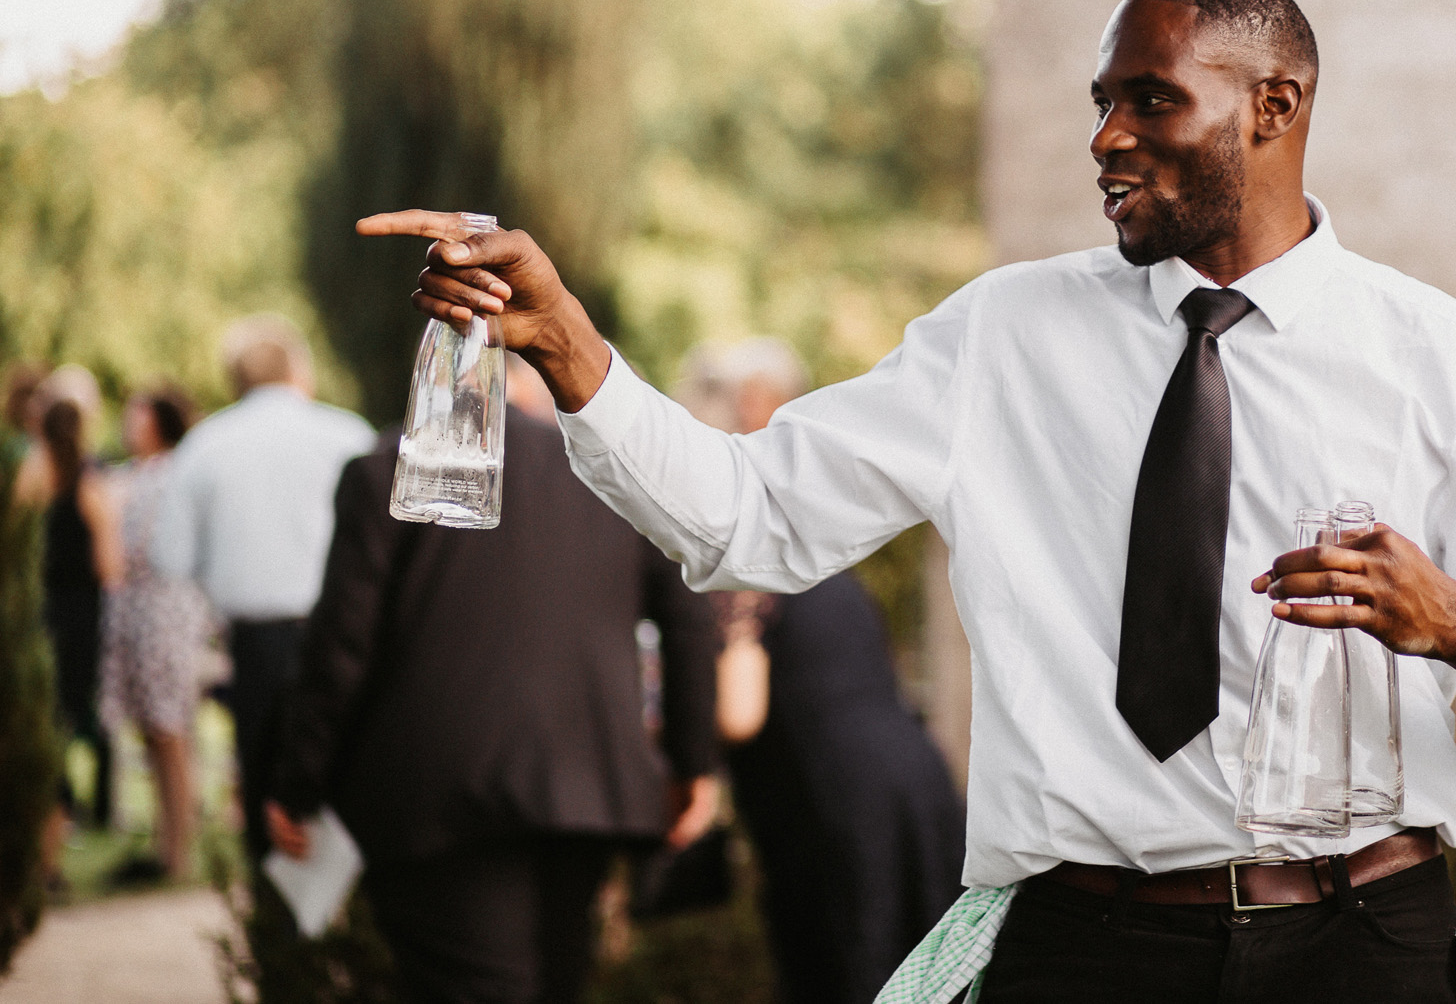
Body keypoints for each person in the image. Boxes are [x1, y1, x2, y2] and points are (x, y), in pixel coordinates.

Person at [364, 0, 1456, 1003]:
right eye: (1100, 102)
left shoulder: (1450, 366)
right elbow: (743, 518)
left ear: (1274, 107)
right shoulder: (1000, 338)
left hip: (1361, 950)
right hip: (1081, 952)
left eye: (1150, 99)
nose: (1106, 137)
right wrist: (578, 353)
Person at [266, 356, 722, 1004]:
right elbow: (689, 621)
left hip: (438, 793)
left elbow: (343, 641)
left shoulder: (393, 464)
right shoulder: (611, 476)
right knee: (556, 982)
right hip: (585, 787)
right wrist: (689, 765)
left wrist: (298, 782)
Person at [687, 338, 963, 1004]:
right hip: (914, 786)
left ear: (750, 402)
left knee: (853, 973)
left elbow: (738, 708)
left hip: (834, 806)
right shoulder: (810, 527)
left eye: (697, 396)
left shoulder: (745, 538)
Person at [151, 315, 375, 860]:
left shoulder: (205, 445)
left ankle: (273, 924)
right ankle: (345, 925)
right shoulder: (349, 435)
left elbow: (170, 557)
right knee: (348, 777)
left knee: (264, 781)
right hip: (345, 634)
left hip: (255, 643)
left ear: (235, 378)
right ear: (299, 370)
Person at [100, 385, 209, 883]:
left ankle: (179, 850)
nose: (127, 423)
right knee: (151, 731)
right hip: (136, 611)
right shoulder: (132, 475)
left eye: (135, 414)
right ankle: (165, 841)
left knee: (170, 731)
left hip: (165, 610)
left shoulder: (175, 473)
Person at [33, 383, 125, 831]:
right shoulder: (90, 483)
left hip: (37, 614)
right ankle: (90, 811)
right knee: (83, 717)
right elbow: (110, 566)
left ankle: (55, 815)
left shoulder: (28, 478)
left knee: (47, 719)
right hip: (81, 616)